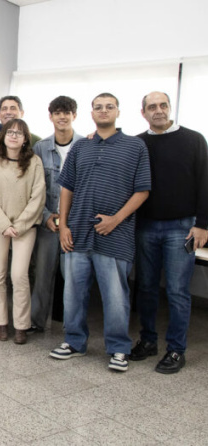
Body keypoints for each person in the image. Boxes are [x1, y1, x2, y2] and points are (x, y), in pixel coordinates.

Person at [50, 93, 150, 373]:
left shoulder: (135, 147)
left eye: (109, 106)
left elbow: (142, 190)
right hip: (77, 233)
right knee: (73, 293)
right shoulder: (81, 147)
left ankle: (119, 348)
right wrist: (64, 227)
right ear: (91, 113)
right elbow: (66, 188)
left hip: (115, 235)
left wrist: (116, 219)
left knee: (116, 296)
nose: (103, 111)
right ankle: (74, 342)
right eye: (98, 107)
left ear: (118, 111)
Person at [129, 91, 208, 374]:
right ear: (143, 113)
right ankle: (148, 341)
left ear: (170, 108)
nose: (158, 110)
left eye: (163, 105)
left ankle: (176, 349)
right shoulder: (138, 143)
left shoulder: (194, 139)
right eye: (152, 107)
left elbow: (205, 183)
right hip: (146, 226)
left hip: (183, 228)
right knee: (147, 288)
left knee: (177, 291)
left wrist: (203, 224)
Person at [0, 95, 42, 322]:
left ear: (26, 139)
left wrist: (20, 225)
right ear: (3, 137)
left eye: (19, 133)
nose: (14, 136)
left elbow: (38, 197)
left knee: (19, 275)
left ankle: (22, 324)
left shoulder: (35, 161)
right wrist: (4, 225)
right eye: (10, 133)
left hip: (25, 227)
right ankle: (0, 321)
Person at [30, 96, 82, 333]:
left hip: (75, 225)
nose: (63, 116)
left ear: (74, 115)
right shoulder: (40, 147)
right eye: (58, 112)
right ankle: (36, 322)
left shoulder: (86, 146)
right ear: (50, 116)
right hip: (49, 223)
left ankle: (72, 330)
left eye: (67, 112)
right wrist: (45, 216)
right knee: (42, 276)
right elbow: (32, 187)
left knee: (73, 280)